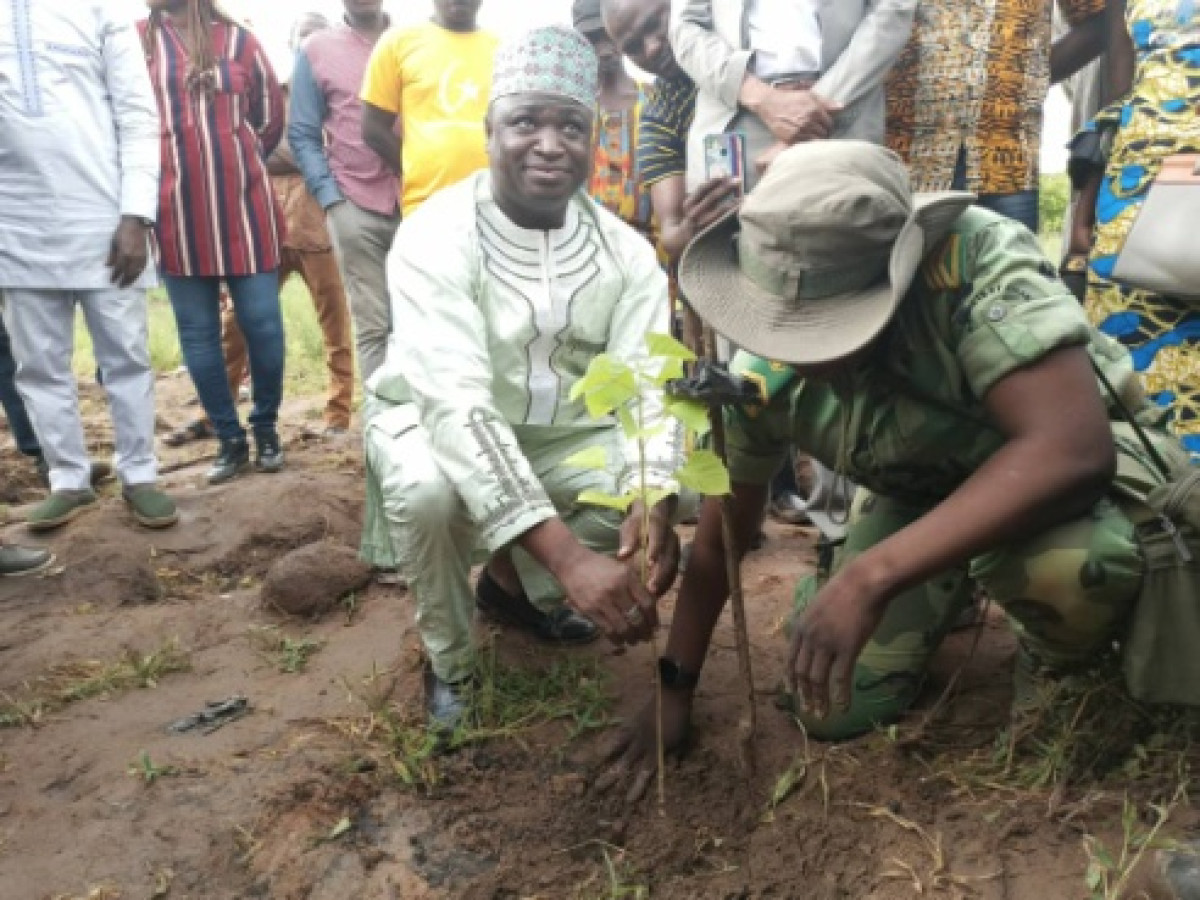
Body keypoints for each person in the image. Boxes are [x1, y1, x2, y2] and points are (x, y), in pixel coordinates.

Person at [599, 141, 1187, 786]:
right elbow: (720, 543)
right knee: (831, 708)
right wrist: (674, 689)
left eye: (825, 328)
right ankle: (919, 582)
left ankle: (1065, 666)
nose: (800, 351)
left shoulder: (980, 263)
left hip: (1056, 485)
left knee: (1070, 571)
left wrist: (870, 578)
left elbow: (1071, 450)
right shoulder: (761, 376)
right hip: (917, 490)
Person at [360, 26, 685, 731]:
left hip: (562, 433)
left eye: (570, 126)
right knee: (429, 492)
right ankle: (451, 661)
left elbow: (647, 384)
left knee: (653, 480)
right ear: (489, 132)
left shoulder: (626, 253)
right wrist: (570, 560)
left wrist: (653, 495)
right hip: (429, 421)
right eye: (525, 122)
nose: (549, 144)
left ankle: (513, 589)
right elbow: (456, 405)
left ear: (591, 140)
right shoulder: (434, 235)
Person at [0, 0, 177, 533]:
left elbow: (138, 115)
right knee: (38, 366)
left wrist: (136, 215)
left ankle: (140, 474)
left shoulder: (100, 10)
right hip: (17, 224)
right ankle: (68, 480)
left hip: (105, 220)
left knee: (125, 357)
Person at [141, 0, 287, 485]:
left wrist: (233, 158)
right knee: (198, 333)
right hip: (176, 213)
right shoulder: (138, 41)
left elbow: (269, 119)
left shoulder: (239, 40)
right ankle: (229, 438)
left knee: (263, 324)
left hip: (245, 209)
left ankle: (265, 427)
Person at [1065, 0, 1200, 460]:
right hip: (1135, 191)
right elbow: (1121, 100)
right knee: (1125, 355)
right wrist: (1086, 209)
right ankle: (1150, 484)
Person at [218, 12, 355, 440]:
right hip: (268, 218)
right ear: (292, 44)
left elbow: (330, 153)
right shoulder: (271, 93)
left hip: (320, 220)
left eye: (317, 37)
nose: (309, 46)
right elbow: (254, 148)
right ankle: (217, 408)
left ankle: (338, 413)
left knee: (335, 325)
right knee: (236, 319)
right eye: (302, 38)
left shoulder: (337, 97)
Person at [886, 0, 1108, 233]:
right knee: (901, 255)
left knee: (1007, 255)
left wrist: (1030, 76)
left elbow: (1099, 20)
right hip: (903, 154)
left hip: (1005, 157)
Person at [669, 0, 917, 190]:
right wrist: (759, 96)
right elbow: (686, 28)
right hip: (734, 122)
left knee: (846, 232)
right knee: (729, 236)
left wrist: (812, 114)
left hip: (841, 116)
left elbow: (892, 11)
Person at [290, 0, 401, 385]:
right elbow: (303, 133)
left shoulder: (413, 40)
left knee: (425, 320)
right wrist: (331, 199)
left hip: (419, 202)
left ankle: (426, 417)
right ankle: (382, 420)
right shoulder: (317, 50)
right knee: (374, 327)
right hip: (354, 204)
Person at [360, 0, 499, 219]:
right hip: (426, 205)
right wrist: (418, 166)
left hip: (496, 206)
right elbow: (373, 129)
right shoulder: (397, 42)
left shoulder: (504, 50)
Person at [573, 0, 655, 243]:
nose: (603, 48)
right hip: (589, 250)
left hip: (654, 252)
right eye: (592, 38)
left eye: (608, 35)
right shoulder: (573, 111)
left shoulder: (656, 101)